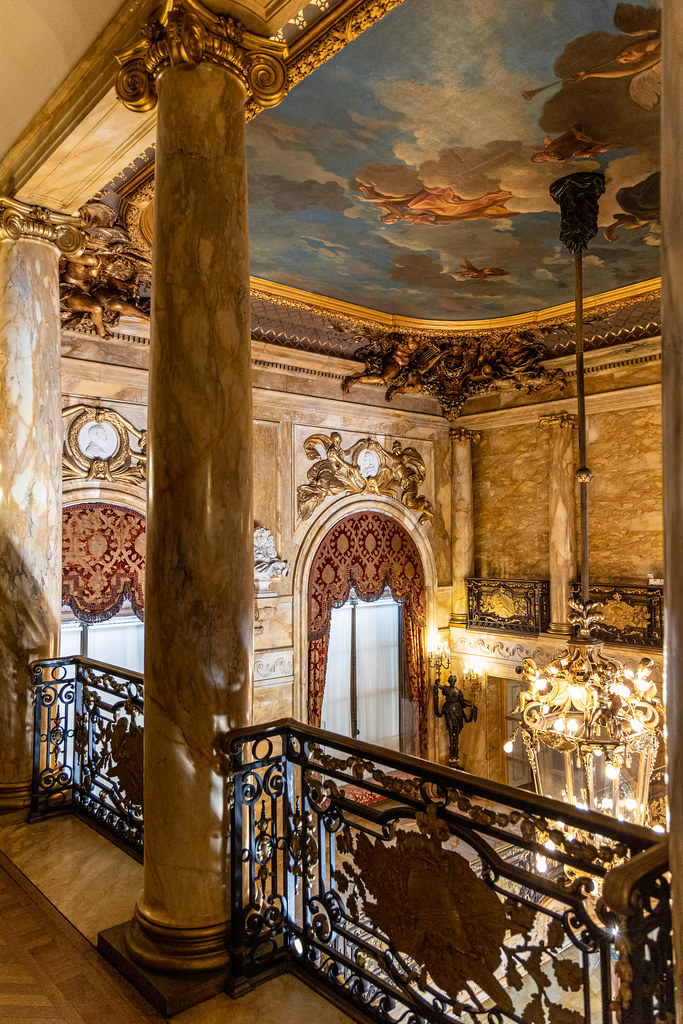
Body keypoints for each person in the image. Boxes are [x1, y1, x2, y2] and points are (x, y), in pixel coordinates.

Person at [434, 674, 478, 767]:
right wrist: (437, 684)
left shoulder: (457, 691)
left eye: (453, 680)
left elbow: (462, 702)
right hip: (452, 710)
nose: (453, 682)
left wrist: (471, 704)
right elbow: (439, 687)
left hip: (455, 710)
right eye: (452, 680)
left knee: (455, 731)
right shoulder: (451, 690)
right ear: (450, 681)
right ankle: (453, 753)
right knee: (452, 730)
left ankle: (454, 753)